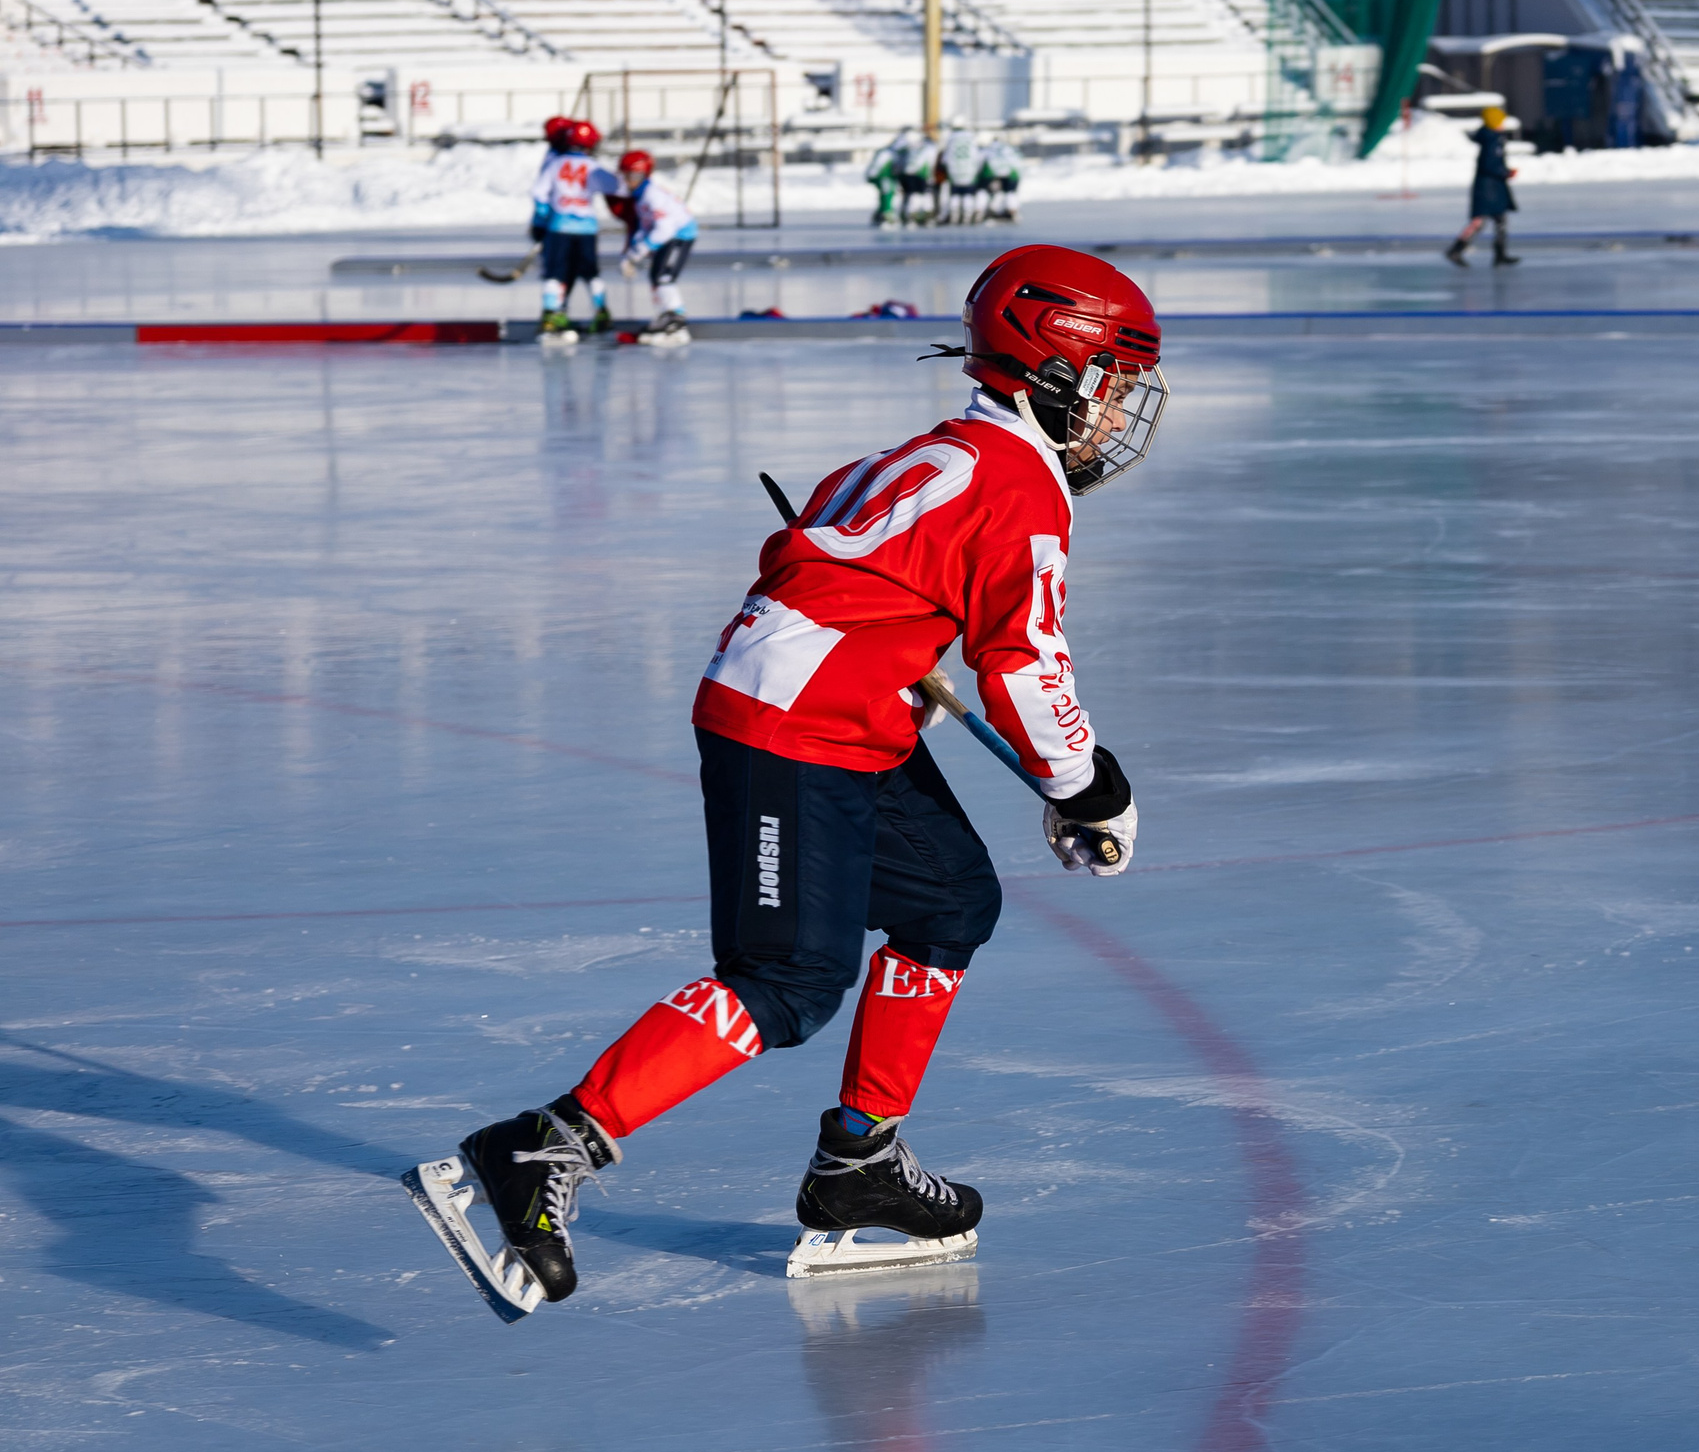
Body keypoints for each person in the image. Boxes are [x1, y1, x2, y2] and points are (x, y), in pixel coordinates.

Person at [406, 245, 1170, 1319]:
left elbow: (806, 544)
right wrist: (1088, 786)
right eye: (1111, 386)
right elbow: (1025, 666)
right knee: (788, 981)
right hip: (792, 725)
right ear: (1054, 373)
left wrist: (890, 647)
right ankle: (544, 1148)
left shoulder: (947, 450)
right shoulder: (1023, 494)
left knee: (949, 899)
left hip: (849, 714)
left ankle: (859, 1158)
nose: (1115, 414)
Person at [530, 118, 612, 339]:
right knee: (590, 273)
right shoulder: (592, 166)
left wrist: (541, 221)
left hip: (560, 227)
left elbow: (539, 193)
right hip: (587, 229)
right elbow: (616, 186)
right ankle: (601, 312)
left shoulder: (555, 162)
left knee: (555, 272)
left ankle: (551, 314)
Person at [612, 148, 698, 344]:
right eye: (625, 175)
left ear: (645, 174)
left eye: (633, 175)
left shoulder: (652, 195)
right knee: (656, 276)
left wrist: (638, 252)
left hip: (680, 234)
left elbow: (664, 229)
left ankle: (676, 320)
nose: (628, 180)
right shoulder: (641, 196)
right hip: (670, 235)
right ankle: (668, 315)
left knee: (663, 276)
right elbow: (646, 226)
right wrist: (631, 253)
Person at [1445, 104, 1520, 268]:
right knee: (1479, 221)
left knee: (1500, 219)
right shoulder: (1492, 139)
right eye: (1500, 121)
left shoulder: (1493, 138)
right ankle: (1456, 249)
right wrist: (1505, 172)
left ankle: (1500, 254)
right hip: (1487, 188)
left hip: (1493, 186)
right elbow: (1489, 164)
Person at [941, 120, 983, 225]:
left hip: (954, 171)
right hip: (969, 171)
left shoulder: (950, 139)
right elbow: (977, 156)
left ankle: (954, 215)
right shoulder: (971, 139)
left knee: (955, 194)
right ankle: (967, 216)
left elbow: (945, 159)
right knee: (968, 194)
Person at [981, 133, 1022, 223]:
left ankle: (993, 211)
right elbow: (1016, 159)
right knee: (1010, 193)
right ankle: (1012, 211)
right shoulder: (1007, 148)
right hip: (1012, 173)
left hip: (997, 174)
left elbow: (984, 158)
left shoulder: (990, 148)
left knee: (998, 193)